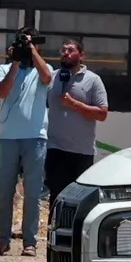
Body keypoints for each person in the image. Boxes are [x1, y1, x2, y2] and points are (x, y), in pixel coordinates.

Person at [0, 35, 55, 256]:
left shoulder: (43, 68)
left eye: (30, 47)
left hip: (35, 137)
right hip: (8, 137)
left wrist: (31, 50)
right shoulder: (4, 68)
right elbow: (1, 92)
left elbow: (47, 77)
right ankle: (3, 239)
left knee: (33, 193)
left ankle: (30, 242)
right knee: (4, 192)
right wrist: (16, 62)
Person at [44, 42, 111, 198]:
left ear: (81, 56)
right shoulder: (53, 77)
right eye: (63, 50)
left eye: (71, 50)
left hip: (81, 151)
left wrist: (74, 104)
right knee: (56, 196)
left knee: (78, 198)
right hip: (55, 149)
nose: (65, 53)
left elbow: (102, 114)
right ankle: (54, 223)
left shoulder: (93, 80)